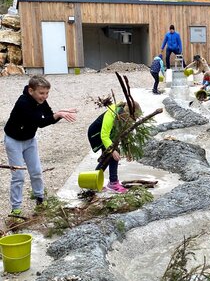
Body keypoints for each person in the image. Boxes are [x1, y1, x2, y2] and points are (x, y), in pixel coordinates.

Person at [4, 76, 77, 217]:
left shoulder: (40, 100)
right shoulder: (23, 103)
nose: (44, 96)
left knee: (36, 171)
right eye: (41, 93)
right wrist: (58, 114)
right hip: (14, 141)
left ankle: (40, 199)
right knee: (18, 175)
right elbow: (41, 122)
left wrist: (60, 113)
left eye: (47, 93)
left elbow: (49, 116)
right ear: (31, 91)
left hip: (30, 140)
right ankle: (16, 210)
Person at [88, 101, 142, 193]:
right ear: (126, 114)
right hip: (96, 133)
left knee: (108, 157)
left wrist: (128, 149)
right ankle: (112, 182)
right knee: (112, 154)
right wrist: (112, 150)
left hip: (109, 135)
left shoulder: (123, 116)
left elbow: (124, 133)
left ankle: (93, 182)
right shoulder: (112, 114)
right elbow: (104, 135)